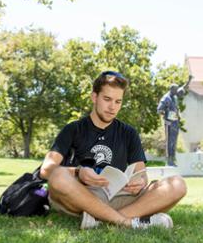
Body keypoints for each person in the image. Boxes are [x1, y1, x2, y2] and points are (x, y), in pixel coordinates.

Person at [39, 71, 187, 229]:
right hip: (81, 196)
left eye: (118, 101)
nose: (112, 107)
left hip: (118, 196)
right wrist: (78, 172)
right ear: (94, 97)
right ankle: (125, 222)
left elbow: (141, 173)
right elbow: (46, 170)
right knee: (58, 176)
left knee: (177, 184)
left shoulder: (129, 133)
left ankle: (101, 220)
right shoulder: (73, 129)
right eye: (107, 99)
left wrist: (140, 181)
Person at [157, 75, 192, 166]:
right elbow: (159, 110)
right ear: (171, 89)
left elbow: (183, 88)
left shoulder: (175, 96)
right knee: (169, 142)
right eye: (175, 90)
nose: (177, 91)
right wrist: (166, 118)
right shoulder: (166, 98)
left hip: (175, 122)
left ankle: (173, 158)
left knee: (174, 141)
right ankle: (169, 160)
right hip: (169, 123)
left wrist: (189, 80)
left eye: (177, 90)